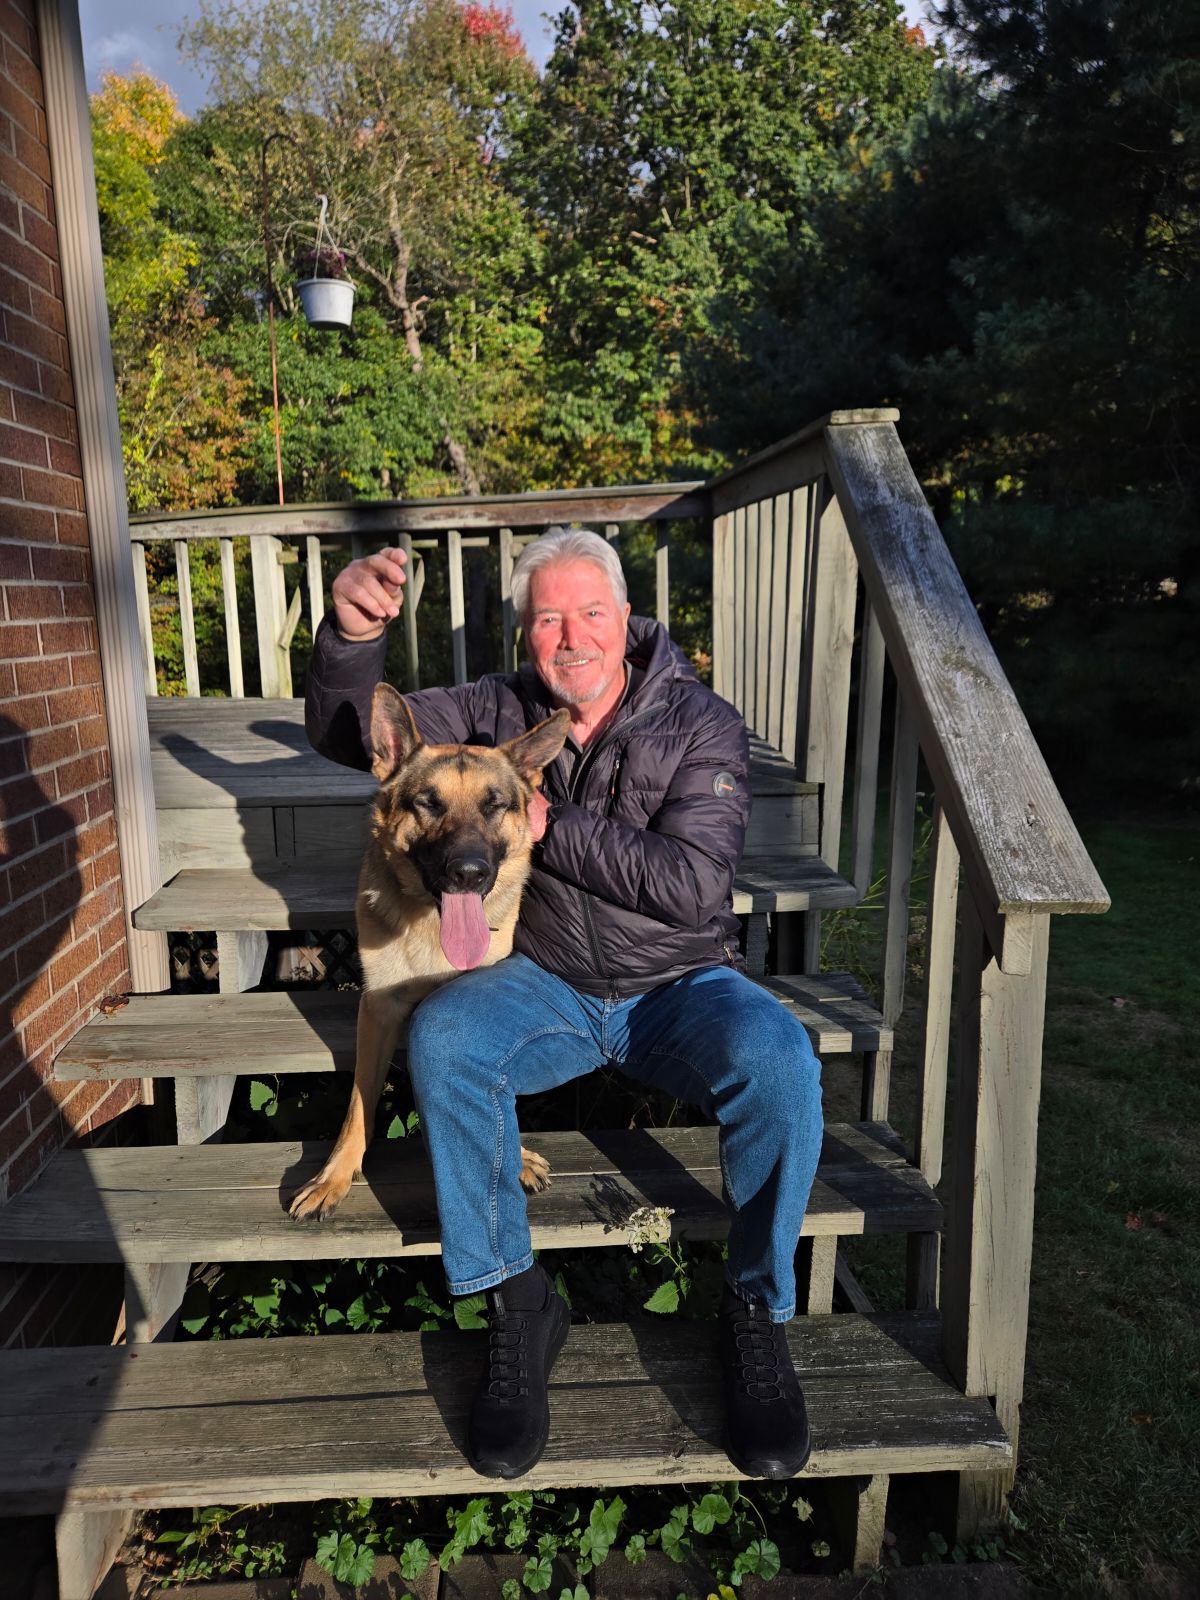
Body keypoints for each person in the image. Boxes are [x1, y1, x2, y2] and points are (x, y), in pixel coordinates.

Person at [305, 526, 824, 1481]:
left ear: (627, 619)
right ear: (525, 631)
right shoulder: (497, 709)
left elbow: (695, 888)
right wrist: (350, 639)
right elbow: (358, 738)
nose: (571, 636)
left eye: (590, 612)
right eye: (548, 618)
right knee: (447, 1037)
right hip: (545, 984)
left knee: (782, 1060)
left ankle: (755, 1310)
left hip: (678, 983)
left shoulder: (701, 722)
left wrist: (557, 824)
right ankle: (518, 1305)